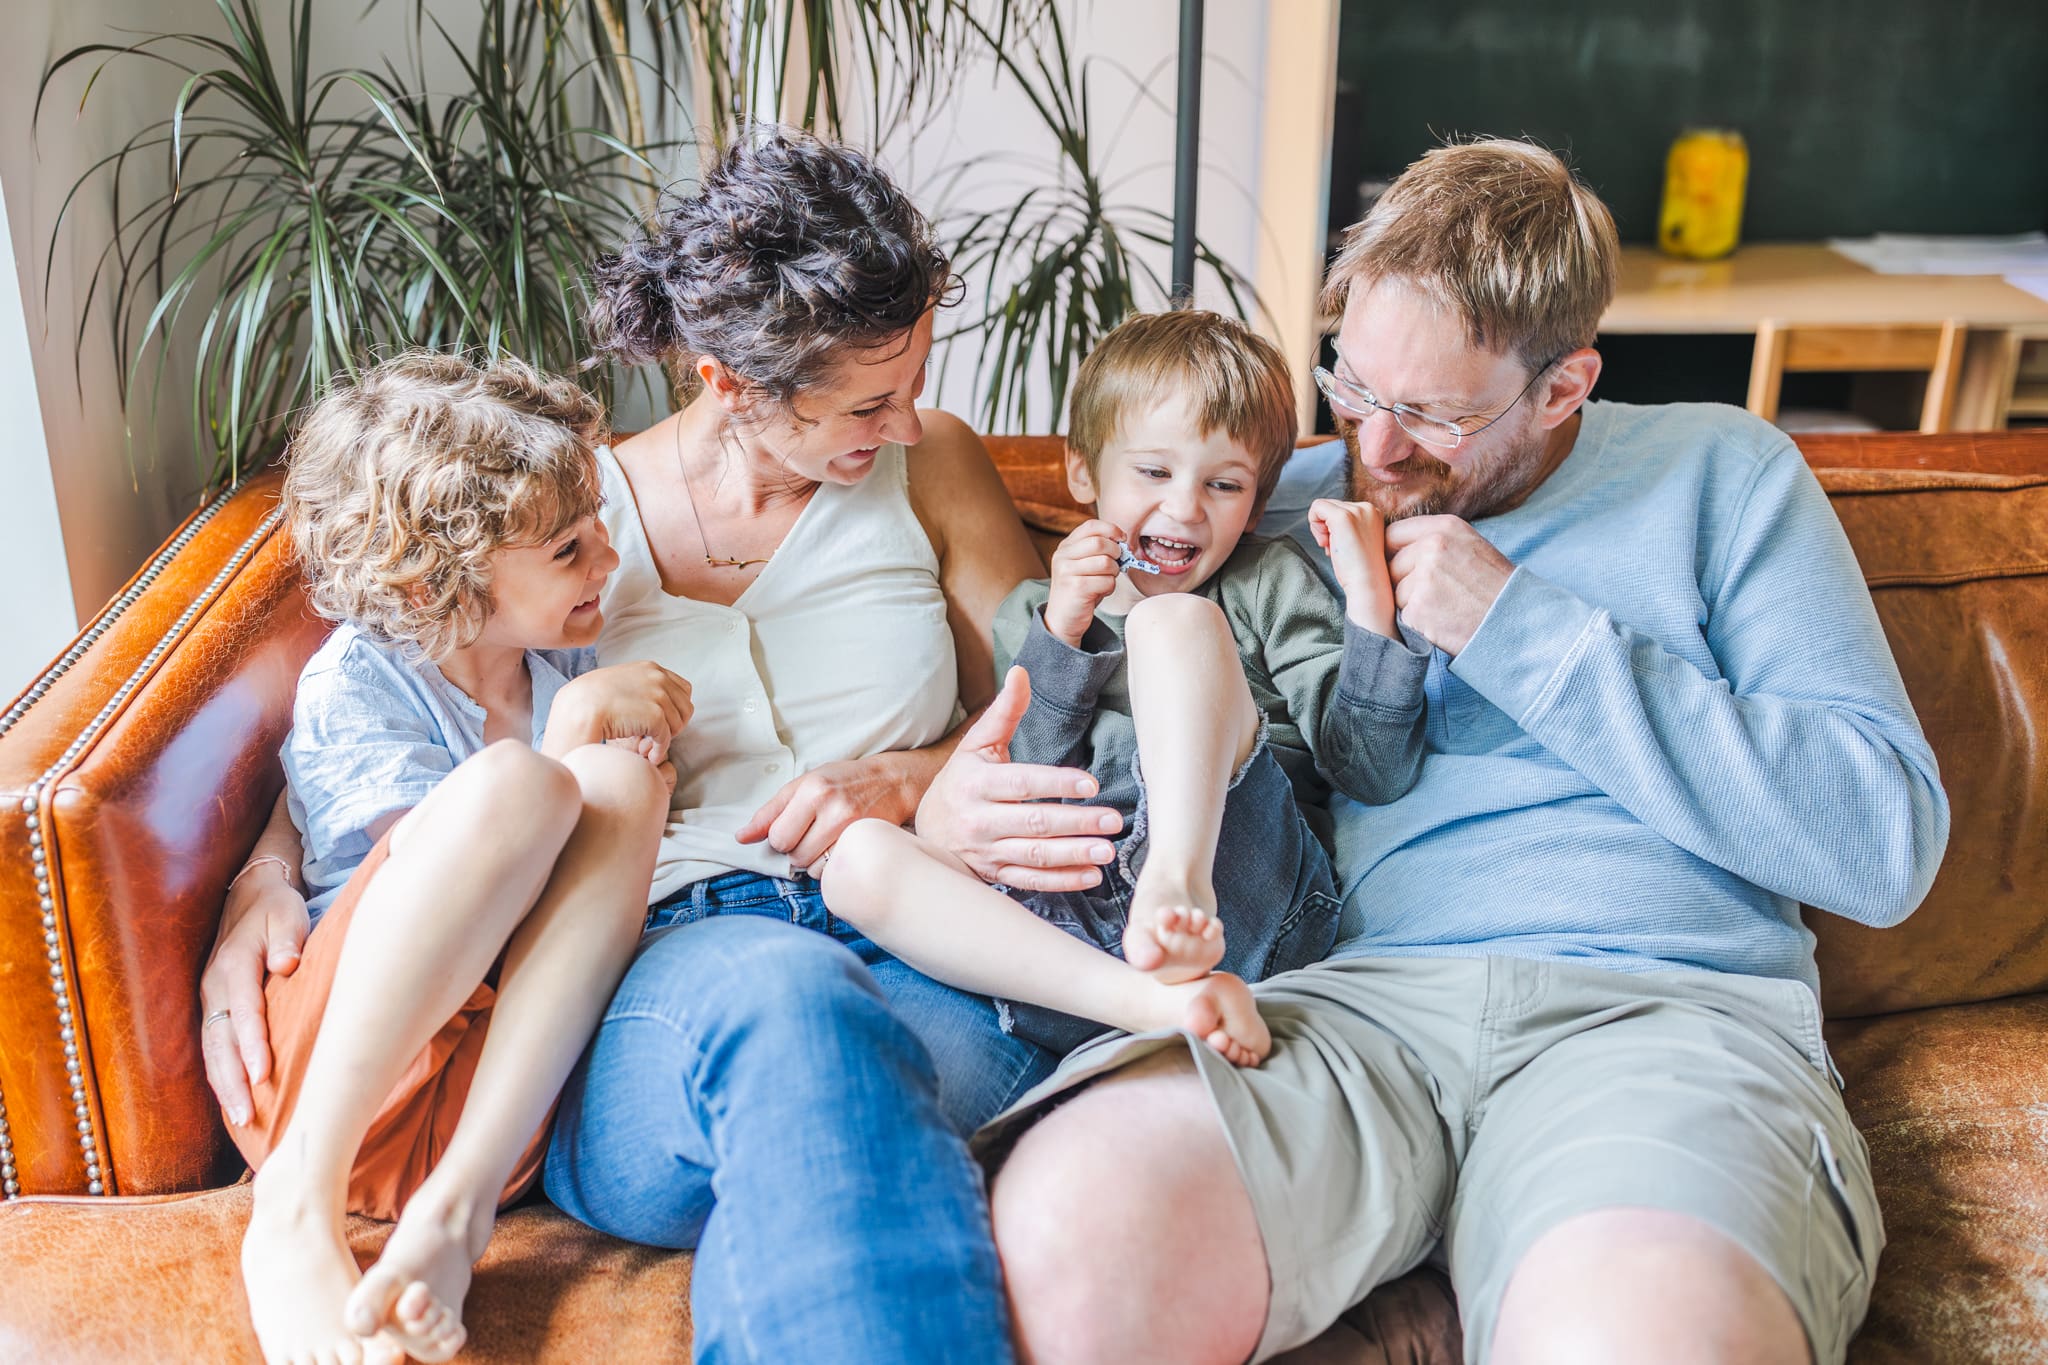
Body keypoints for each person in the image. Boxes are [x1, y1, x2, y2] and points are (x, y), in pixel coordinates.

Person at [965, 140, 1952, 1365]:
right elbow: (1073, 680)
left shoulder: (1720, 474)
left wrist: (1521, 629)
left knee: (1638, 1339)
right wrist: (936, 793)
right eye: (1352, 386)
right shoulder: (1249, 496)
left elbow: (1882, 843)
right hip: (1341, 1008)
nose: (1373, 453)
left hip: (1657, 1014)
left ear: (1562, 385)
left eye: (1431, 414)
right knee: (1071, 1244)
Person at [199, 129, 1125, 1363]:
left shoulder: (924, 467)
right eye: (863, 401)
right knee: (785, 1008)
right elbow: (418, 724)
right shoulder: (565, 532)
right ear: (725, 381)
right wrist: (258, 875)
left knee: (820, 1096)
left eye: (909, 383)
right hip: (664, 963)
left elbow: (1038, 695)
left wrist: (919, 781)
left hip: (919, 925)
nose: (905, 425)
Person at [822, 309, 1429, 1066]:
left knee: (1172, 623)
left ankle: (1175, 884)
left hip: (1239, 893)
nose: (1184, 507)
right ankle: (1157, 1005)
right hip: (1068, 938)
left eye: (1224, 483)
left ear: (1256, 496)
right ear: (1084, 472)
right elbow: (1025, 770)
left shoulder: (1268, 580)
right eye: (1153, 471)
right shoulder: (1039, 612)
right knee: (857, 860)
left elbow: (1371, 767)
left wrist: (1372, 608)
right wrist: (1064, 633)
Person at [229, 353, 682, 1365]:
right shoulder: (359, 686)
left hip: (485, 1105)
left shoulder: (563, 647)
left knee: (622, 784)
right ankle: (291, 1212)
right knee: (527, 784)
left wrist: (593, 739)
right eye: (568, 549)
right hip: (350, 1081)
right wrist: (566, 734)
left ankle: (455, 1217)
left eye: (599, 525)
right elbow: (475, 901)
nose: (608, 560)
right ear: (433, 582)